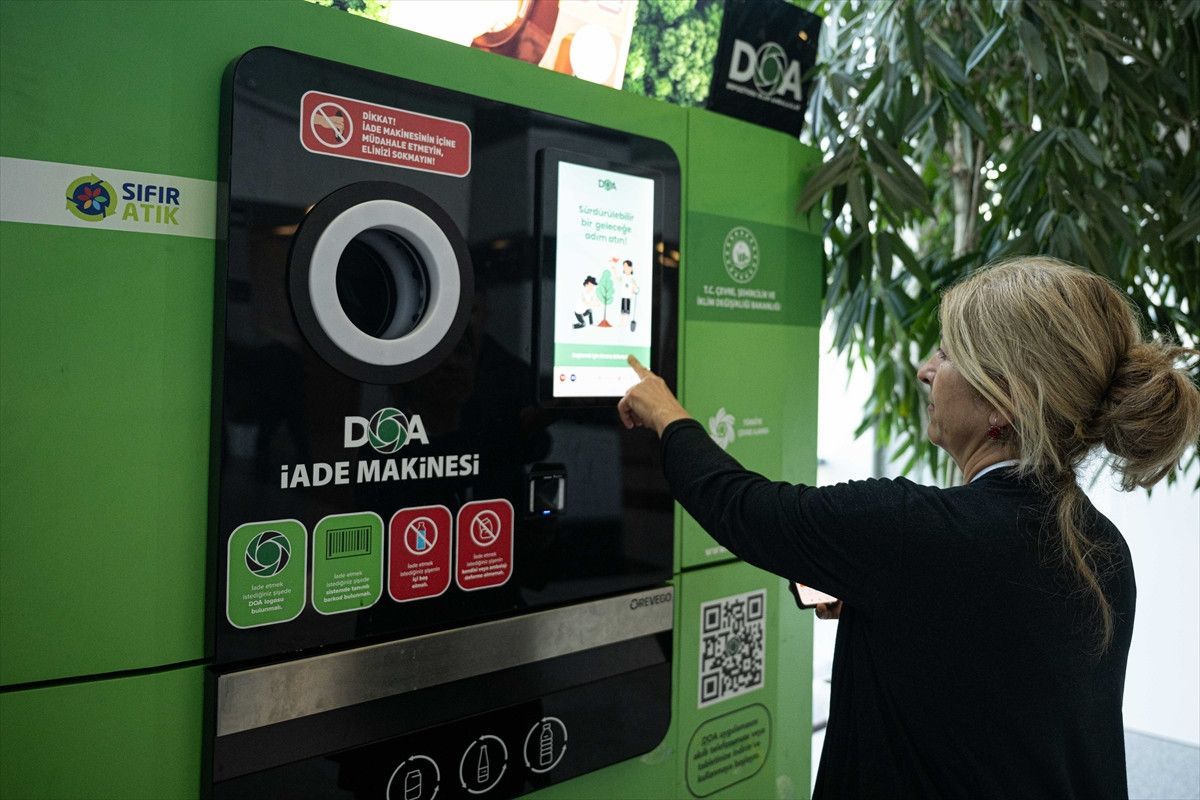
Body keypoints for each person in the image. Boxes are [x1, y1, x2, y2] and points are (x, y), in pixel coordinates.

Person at [618, 257, 1200, 799]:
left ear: (1003, 401)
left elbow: (743, 508)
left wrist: (666, 413)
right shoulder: (1104, 547)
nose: (926, 371)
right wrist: (898, 607)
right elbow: (996, 676)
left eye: (947, 354)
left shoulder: (912, 533)